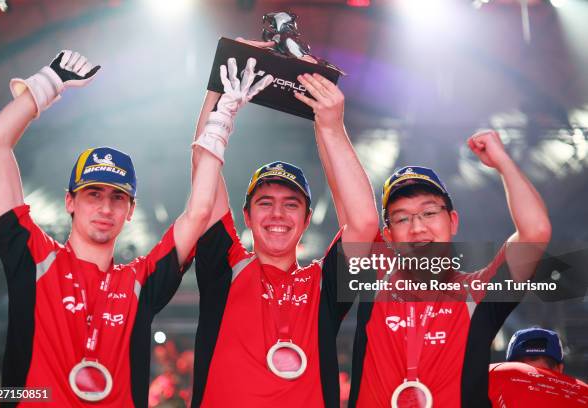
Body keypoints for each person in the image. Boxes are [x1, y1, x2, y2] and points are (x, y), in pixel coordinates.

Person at [0, 50, 226, 406]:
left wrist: (220, 118)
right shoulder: (35, 259)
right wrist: (46, 84)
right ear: (70, 202)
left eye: (117, 198)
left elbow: (200, 211)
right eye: (93, 194)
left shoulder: (140, 282)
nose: (105, 207)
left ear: (130, 210)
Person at [188, 50, 379, 406]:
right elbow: (203, 170)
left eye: (291, 204)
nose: (278, 214)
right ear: (245, 215)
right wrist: (220, 82)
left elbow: (365, 222)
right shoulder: (224, 268)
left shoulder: (324, 285)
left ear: (307, 220)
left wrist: (331, 127)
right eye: (265, 202)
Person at [348, 130, 552, 407]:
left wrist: (503, 162)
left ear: (453, 221)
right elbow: (354, 211)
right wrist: (330, 122)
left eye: (429, 213)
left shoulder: (477, 294)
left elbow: (535, 232)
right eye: (402, 218)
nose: (418, 227)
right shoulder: (371, 288)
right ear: (388, 236)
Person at [489, 327, 588, 407]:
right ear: (560, 368)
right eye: (521, 375)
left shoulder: (486, 389)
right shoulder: (584, 396)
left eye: (541, 376)